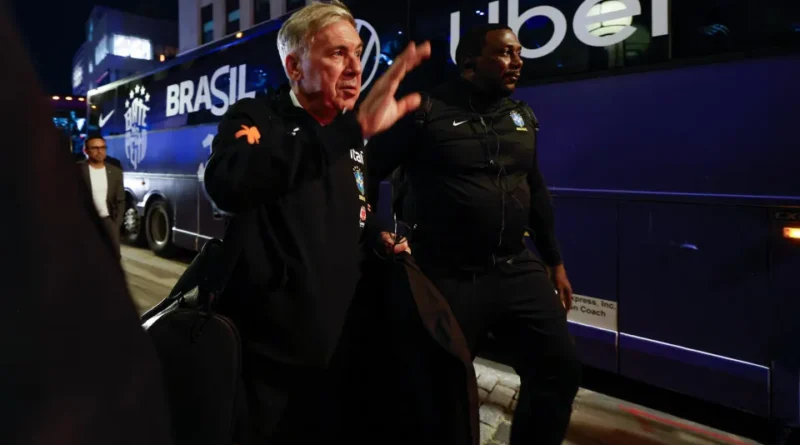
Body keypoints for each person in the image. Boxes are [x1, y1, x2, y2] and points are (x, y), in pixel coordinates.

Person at [202, 1, 429, 442]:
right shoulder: (257, 117)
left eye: (357, 52)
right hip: (267, 360)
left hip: (337, 352)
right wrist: (351, 131)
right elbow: (228, 186)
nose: (355, 68)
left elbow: (353, 209)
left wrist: (378, 235)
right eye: (337, 53)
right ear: (294, 66)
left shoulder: (350, 135)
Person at [366, 24, 581, 445]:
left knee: (559, 369)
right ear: (469, 62)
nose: (517, 62)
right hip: (446, 273)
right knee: (440, 388)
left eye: (519, 53)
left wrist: (554, 261)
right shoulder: (424, 113)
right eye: (504, 53)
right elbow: (366, 172)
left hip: (515, 267)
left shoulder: (521, 117)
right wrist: (375, 234)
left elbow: (535, 190)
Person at [0, 1, 174, 443]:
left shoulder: (111, 171)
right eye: (92, 148)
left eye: (100, 148)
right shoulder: (67, 173)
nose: (97, 151)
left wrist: (112, 217)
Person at [78, 135, 125, 258]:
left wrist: (116, 223)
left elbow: (120, 199)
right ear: (86, 151)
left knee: (113, 257)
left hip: (107, 221)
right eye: (95, 148)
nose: (100, 151)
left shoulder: (115, 172)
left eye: (103, 147)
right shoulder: (77, 170)